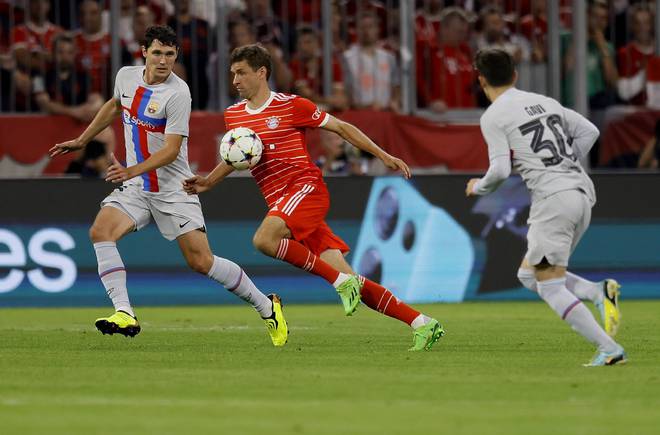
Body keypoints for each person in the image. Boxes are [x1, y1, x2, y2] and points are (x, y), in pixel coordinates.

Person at [184, 44, 444, 352]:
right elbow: (237, 156)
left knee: (264, 240)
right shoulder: (234, 114)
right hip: (281, 204)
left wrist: (383, 154)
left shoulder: (292, 105)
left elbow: (342, 127)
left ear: (261, 72)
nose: (235, 81)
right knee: (352, 279)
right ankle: (422, 323)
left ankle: (340, 283)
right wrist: (209, 181)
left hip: (305, 189)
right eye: (233, 74)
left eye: (241, 73)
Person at [49, 26, 288, 347]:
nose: (163, 61)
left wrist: (130, 169)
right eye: (158, 53)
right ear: (144, 52)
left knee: (201, 261)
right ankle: (124, 312)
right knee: (100, 232)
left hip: (174, 189)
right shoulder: (126, 77)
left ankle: (266, 306)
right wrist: (82, 139)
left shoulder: (178, 93)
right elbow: (115, 105)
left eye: (170, 55)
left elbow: (171, 150)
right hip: (137, 186)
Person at [466, 48, 625, 366]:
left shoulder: (494, 116)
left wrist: (478, 187)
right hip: (582, 193)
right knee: (529, 274)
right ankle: (597, 292)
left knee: (550, 285)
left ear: (481, 80)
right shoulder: (545, 102)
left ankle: (610, 349)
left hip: (554, 200)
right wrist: (563, 165)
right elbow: (590, 131)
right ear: (515, 75)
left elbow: (500, 171)